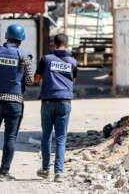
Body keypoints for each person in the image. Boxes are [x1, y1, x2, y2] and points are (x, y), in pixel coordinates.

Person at [0, 23, 33, 181]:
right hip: (14, 101)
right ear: (21, 39)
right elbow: (30, 80)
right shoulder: (24, 55)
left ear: (7, 36)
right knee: (10, 138)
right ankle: (3, 173)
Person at [34, 33, 77, 182]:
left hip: (47, 101)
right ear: (67, 44)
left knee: (46, 136)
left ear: (54, 45)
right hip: (65, 102)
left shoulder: (46, 59)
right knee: (61, 137)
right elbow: (74, 80)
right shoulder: (73, 62)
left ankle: (45, 169)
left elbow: (36, 78)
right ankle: (58, 172)